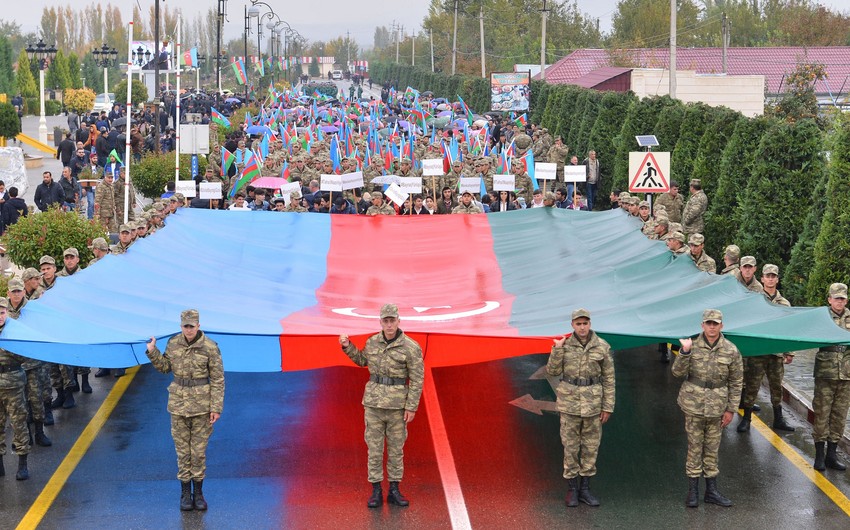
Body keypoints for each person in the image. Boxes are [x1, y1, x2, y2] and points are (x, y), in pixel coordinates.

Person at [339, 304, 424, 508]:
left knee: (396, 450)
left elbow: (417, 378)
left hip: (397, 408)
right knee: (374, 449)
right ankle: (376, 491)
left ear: (398, 321)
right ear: (380, 322)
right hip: (374, 405)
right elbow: (362, 361)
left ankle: (394, 490)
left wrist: (411, 407)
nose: (389, 324)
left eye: (392, 320)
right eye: (385, 321)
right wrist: (347, 346)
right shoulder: (372, 342)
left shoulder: (411, 347)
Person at [145, 309, 224, 511]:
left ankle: (198, 493)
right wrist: (153, 351)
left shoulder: (210, 347)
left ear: (198, 325)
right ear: (181, 326)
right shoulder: (173, 343)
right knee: (182, 452)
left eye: (192, 325)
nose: (188, 329)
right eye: (185, 326)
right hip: (178, 406)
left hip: (202, 407)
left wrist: (216, 407)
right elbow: (164, 368)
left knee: (198, 452)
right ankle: (184, 494)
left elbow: (217, 379)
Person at [673, 309, 743, 508]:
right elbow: (677, 373)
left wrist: (731, 409)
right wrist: (684, 352)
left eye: (715, 323)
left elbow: (737, 381)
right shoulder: (691, 346)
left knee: (712, 449)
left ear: (722, 326)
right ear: (702, 325)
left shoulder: (731, 350)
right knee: (695, 447)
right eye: (708, 323)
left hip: (717, 407)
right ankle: (693, 491)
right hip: (693, 405)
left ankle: (711, 491)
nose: (712, 327)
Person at [546, 308, 614, 507]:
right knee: (571, 447)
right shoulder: (564, 346)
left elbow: (609, 379)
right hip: (570, 404)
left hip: (593, 404)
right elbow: (552, 371)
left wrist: (608, 407)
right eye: (578, 324)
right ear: (572, 325)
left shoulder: (602, 346)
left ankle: (585, 489)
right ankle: (572, 489)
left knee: (591, 447)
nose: (582, 327)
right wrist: (557, 350)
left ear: (590, 324)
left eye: (585, 323)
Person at [736, 264, 795, 433]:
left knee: (777, 387)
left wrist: (789, 352)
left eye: (773, 276)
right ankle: (746, 419)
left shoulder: (784, 303)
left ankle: (778, 419)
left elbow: (789, 328)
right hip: (758, 351)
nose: (770, 279)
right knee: (752, 385)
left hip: (776, 353)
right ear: (762, 279)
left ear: (777, 279)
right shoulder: (755, 299)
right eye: (767, 276)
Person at [812, 283, 850, 471]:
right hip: (825, 373)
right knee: (821, 413)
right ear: (829, 299)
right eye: (836, 298)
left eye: (842, 298)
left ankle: (831, 455)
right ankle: (819, 455)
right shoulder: (822, 317)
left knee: (839, 415)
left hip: (846, 374)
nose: (839, 301)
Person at [0, 297, 33, 480]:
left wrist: (7, 347)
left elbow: (26, 357)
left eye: (2, 312)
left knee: (19, 423)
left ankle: (22, 464)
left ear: (7, 313)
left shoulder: (14, 332)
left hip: (13, 385)